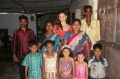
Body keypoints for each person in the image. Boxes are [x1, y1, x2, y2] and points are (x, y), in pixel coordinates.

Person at [13, 15, 35, 79]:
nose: (23, 23)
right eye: (21, 21)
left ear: (27, 22)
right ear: (19, 22)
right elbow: (14, 44)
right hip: (20, 55)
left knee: (30, 70)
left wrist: (34, 53)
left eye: (25, 21)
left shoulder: (30, 31)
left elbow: (33, 43)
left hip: (30, 54)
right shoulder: (16, 32)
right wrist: (14, 55)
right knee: (22, 71)